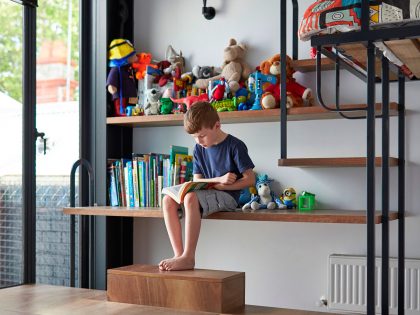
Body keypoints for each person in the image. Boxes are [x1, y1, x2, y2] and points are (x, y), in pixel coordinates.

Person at [159, 102, 255, 271]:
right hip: (207, 193)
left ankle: (189, 256)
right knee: (167, 200)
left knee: (190, 197)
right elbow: (198, 180)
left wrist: (222, 186)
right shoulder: (198, 149)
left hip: (229, 197)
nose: (198, 141)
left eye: (202, 135)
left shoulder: (235, 146)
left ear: (217, 125)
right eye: (194, 137)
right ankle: (179, 255)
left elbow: (250, 180)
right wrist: (219, 180)